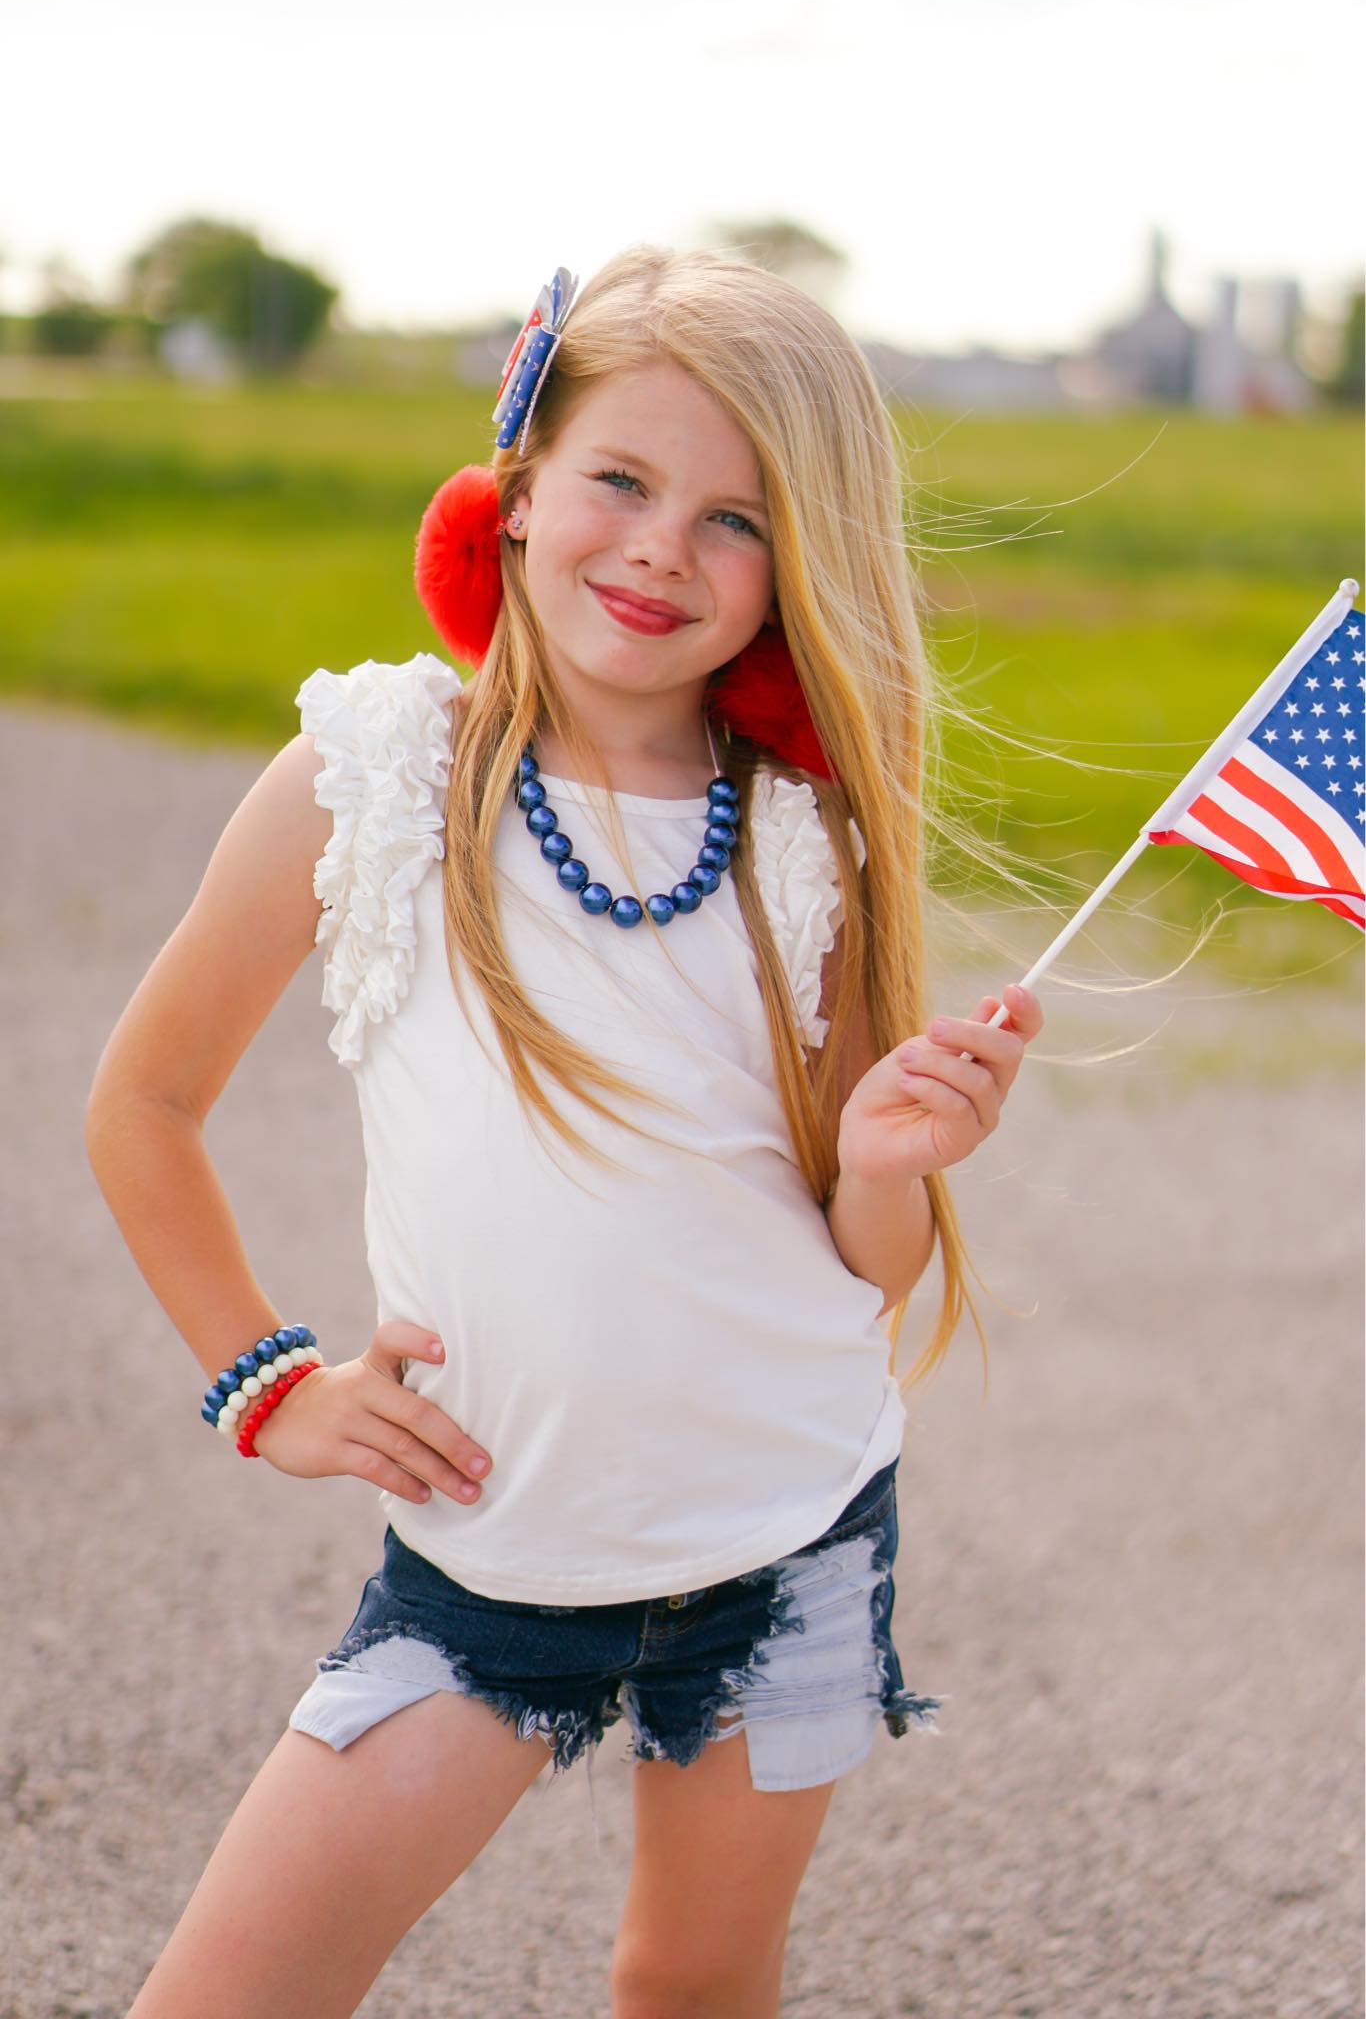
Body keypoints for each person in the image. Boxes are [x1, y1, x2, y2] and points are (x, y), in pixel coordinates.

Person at [88, 246, 1044, 2019]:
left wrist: (896, 1166)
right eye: (621, 480)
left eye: (736, 518)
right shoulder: (372, 771)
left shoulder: (795, 840)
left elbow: (860, 1254)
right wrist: (266, 1382)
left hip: (791, 1518)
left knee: (691, 1981)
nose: (663, 548)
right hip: (493, 1547)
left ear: (795, 565)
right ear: (517, 497)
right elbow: (141, 1106)